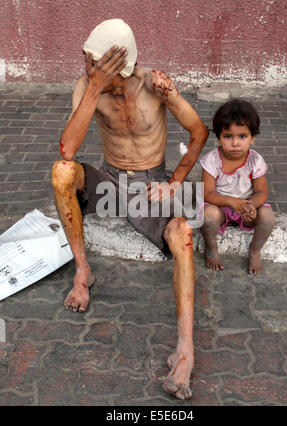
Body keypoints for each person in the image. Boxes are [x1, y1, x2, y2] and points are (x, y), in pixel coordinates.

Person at [51, 19, 209, 400]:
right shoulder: (88, 88)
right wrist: (92, 87)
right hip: (108, 178)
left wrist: (174, 182)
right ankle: (83, 271)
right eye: (89, 60)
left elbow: (198, 131)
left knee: (183, 233)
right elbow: (68, 151)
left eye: (93, 61)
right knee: (61, 173)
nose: (86, 65)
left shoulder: (156, 84)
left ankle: (184, 349)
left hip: (150, 184)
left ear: (117, 64)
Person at [200, 99, 275, 274]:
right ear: (218, 138)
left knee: (268, 217)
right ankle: (211, 247)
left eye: (242, 136)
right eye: (228, 137)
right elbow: (208, 193)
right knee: (207, 216)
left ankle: (255, 249)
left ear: (252, 138)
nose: (235, 143)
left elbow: (262, 191)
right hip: (220, 207)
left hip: (247, 207)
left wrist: (251, 206)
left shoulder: (255, 160)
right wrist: (232, 202)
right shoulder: (212, 160)